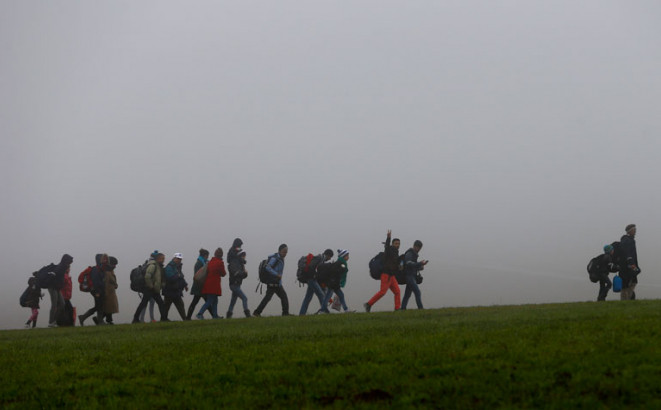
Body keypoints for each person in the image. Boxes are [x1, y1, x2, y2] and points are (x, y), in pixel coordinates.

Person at [365, 231, 401, 312]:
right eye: (396, 243)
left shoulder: (396, 252)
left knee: (397, 292)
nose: (397, 245)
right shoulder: (389, 250)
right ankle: (369, 304)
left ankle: (397, 308)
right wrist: (388, 238)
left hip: (391, 276)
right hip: (386, 275)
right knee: (382, 292)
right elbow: (387, 247)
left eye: (398, 243)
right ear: (392, 244)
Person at [253, 244, 290, 317]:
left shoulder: (281, 258)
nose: (285, 254)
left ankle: (285, 313)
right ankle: (257, 312)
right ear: (279, 251)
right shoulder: (275, 258)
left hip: (277, 283)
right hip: (272, 282)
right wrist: (276, 274)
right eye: (283, 252)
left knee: (282, 297)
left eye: (286, 252)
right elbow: (268, 267)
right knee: (269, 298)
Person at [132, 252, 168, 323]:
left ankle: (164, 318)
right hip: (150, 289)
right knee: (145, 304)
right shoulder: (153, 266)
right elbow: (147, 276)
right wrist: (151, 286)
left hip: (153, 289)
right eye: (162, 258)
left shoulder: (157, 266)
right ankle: (136, 319)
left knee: (158, 303)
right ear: (158, 259)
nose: (163, 260)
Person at [298, 249, 333, 316]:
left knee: (308, 298)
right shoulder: (320, 258)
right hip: (311, 279)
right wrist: (314, 276)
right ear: (328, 255)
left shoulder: (321, 259)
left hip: (311, 279)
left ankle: (302, 314)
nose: (330, 259)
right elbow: (311, 266)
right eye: (330, 257)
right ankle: (326, 312)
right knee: (321, 294)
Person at [79, 254, 108, 326]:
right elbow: (96, 282)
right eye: (103, 259)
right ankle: (100, 321)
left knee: (98, 306)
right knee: (99, 306)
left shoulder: (101, 269)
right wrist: (97, 292)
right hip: (96, 291)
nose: (105, 260)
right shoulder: (96, 269)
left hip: (99, 290)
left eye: (106, 259)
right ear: (99, 260)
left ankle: (83, 317)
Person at [197, 248, 226, 319]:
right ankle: (200, 313)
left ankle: (215, 315)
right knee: (210, 300)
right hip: (214, 284)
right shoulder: (220, 262)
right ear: (221, 255)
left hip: (208, 283)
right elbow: (223, 273)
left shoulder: (210, 262)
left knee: (215, 300)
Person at [46, 254, 73, 328]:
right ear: (66, 260)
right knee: (54, 304)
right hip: (52, 287)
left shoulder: (63, 267)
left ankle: (54, 320)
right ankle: (51, 322)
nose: (70, 264)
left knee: (62, 304)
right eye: (69, 262)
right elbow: (54, 275)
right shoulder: (60, 266)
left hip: (57, 288)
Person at [401, 240, 429, 310]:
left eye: (420, 248)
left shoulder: (414, 254)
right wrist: (419, 263)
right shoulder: (410, 253)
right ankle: (421, 308)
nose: (419, 249)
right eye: (418, 247)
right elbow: (409, 263)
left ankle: (402, 309)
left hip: (412, 275)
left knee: (407, 295)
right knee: (417, 292)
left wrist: (421, 267)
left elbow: (413, 266)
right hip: (409, 276)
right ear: (415, 246)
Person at [163, 253, 189, 321]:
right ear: (174, 258)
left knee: (180, 305)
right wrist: (178, 276)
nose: (179, 260)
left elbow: (181, 277)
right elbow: (171, 278)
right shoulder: (169, 267)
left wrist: (185, 285)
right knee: (167, 306)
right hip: (169, 290)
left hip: (176, 290)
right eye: (178, 258)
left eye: (180, 259)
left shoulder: (177, 267)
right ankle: (163, 318)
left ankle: (184, 318)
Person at [186, 248, 211, 320]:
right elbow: (198, 276)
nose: (208, 257)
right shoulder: (199, 263)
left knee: (197, 302)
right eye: (207, 256)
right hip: (199, 287)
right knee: (205, 302)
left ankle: (188, 317)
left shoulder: (201, 262)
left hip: (200, 286)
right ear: (205, 255)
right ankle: (214, 315)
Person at [227, 247, 251, 318]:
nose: (244, 257)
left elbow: (241, 275)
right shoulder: (235, 263)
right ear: (240, 255)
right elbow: (236, 273)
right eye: (243, 255)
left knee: (233, 301)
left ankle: (228, 315)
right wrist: (244, 273)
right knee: (244, 298)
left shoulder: (240, 264)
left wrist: (245, 274)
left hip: (237, 284)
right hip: (234, 284)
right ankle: (247, 314)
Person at [620, 224, 641, 301]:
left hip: (628, 266)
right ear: (629, 231)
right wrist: (632, 264)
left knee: (631, 282)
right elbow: (628, 254)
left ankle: (628, 299)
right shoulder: (627, 241)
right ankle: (625, 300)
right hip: (628, 267)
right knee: (628, 284)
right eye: (634, 229)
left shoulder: (628, 240)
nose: (635, 231)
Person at [103, 256, 119, 324]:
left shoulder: (110, 271)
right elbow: (107, 282)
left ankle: (107, 320)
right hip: (108, 292)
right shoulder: (107, 272)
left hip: (111, 292)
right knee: (109, 307)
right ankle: (108, 320)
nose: (115, 266)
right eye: (114, 264)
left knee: (110, 307)